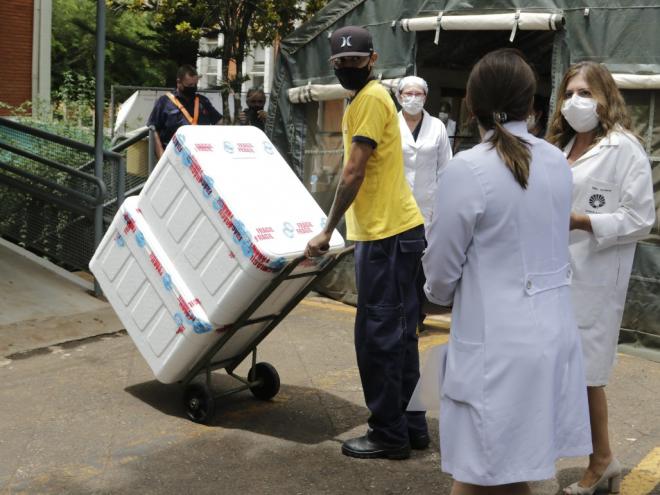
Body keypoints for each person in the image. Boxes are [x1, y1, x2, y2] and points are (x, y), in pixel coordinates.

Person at [422, 48, 592, 494]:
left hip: (494, 351)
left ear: (470, 105)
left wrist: (440, 289)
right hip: (550, 340)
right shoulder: (556, 160)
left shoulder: (467, 169)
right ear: (532, 104)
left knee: (476, 477)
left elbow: (440, 277)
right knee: (517, 472)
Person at [304, 25, 428, 460]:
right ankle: (411, 424)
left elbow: (354, 171)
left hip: (386, 235)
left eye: (354, 62)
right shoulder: (366, 100)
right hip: (396, 231)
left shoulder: (372, 100)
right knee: (401, 334)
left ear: (372, 60)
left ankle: (388, 433)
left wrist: (326, 228)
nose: (346, 69)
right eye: (339, 64)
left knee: (378, 337)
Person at [546, 62, 655, 495]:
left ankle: (601, 460)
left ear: (606, 97)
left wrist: (581, 220)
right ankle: (600, 456)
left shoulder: (624, 148)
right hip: (555, 275)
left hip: (594, 278)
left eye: (586, 93)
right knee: (561, 370)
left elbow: (641, 218)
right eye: (570, 92)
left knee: (588, 376)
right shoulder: (560, 146)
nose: (576, 101)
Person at [395, 76, 452, 331]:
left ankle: (417, 315)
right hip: (396, 204)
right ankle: (398, 314)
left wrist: (445, 203)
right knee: (398, 263)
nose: (413, 98)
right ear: (399, 96)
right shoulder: (390, 124)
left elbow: (446, 167)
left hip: (429, 205)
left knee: (421, 264)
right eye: (408, 93)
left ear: (426, 97)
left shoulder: (437, 127)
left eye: (418, 94)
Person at [147, 64, 222, 159]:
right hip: (173, 156)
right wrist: (161, 155)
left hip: (200, 156)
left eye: (195, 84)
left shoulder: (203, 101)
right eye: (189, 85)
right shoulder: (165, 102)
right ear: (178, 82)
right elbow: (154, 130)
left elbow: (219, 121)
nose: (193, 87)